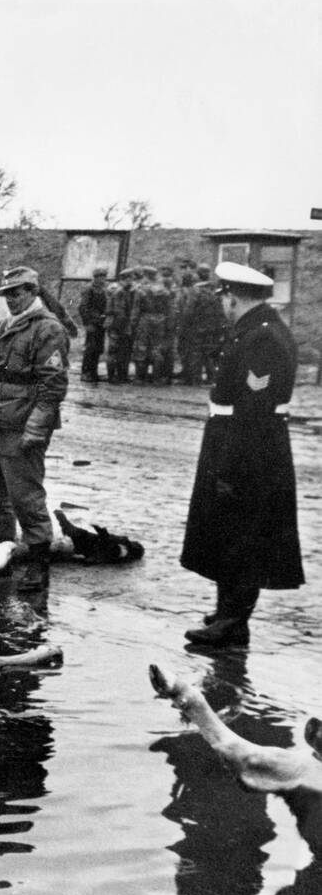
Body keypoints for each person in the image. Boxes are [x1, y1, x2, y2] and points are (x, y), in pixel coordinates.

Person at [180, 263, 302, 648]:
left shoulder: (263, 338)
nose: (223, 306)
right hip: (235, 439)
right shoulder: (254, 329)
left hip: (249, 446)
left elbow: (255, 407)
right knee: (227, 527)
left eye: (225, 299)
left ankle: (234, 621)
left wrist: (231, 465)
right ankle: (226, 612)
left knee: (243, 533)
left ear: (233, 298)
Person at [0, 266, 68, 593]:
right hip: (0, 418)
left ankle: (38, 564)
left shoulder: (47, 329)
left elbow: (53, 387)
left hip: (24, 422)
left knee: (25, 494)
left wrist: (36, 429)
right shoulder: (10, 324)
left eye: (16, 293)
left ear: (32, 292)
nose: (11, 300)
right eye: (7, 294)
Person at [131, 265, 173, 384]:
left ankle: (140, 377)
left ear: (145, 275)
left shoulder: (141, 289)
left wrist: (133, 323)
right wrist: (168, 323)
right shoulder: (164, 290)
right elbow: (169, 309)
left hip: (145, 319)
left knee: (142, 347)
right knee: (157, 348)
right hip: (160, 320)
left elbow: (136, 308)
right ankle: (156, 378)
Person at [105, 267, 138, 383]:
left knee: (124, 351)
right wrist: (125, 328)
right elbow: (119, 313)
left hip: (122, 325)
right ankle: (111, 376)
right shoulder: (119, 292)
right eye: (130, 279)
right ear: (125, 279)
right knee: (114, 351)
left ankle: (122, 375)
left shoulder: (127, 291)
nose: (132, 281)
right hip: (117, 325)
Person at [78, 267, 109, 383]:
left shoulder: (103, 289)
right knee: (90, 348)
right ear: (95, 278)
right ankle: (86, 373)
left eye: (104, 277)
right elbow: (83, 307)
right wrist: (87, 323)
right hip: (92, 323)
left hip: (101, 323)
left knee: (98, 349)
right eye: (100, 277)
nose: (102, 279)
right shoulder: (89, 289)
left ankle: (93, 373)